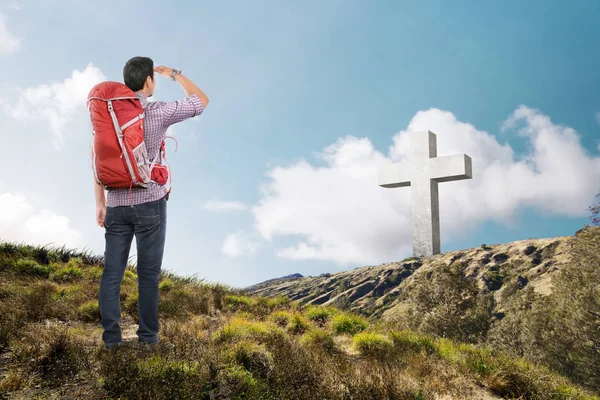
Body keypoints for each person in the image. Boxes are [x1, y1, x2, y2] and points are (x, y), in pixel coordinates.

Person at [93, 56, 209, 349]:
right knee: (148, 274)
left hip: (115, 203)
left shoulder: (109, 116)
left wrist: (100, 203)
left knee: (112, 273)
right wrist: (175, 74)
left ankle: (111, 341)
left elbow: (97, 159)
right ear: (148, 81)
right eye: (154, 78)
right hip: (150, 202)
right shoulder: (157, 111)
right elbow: (201, 101)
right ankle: (148, 339)